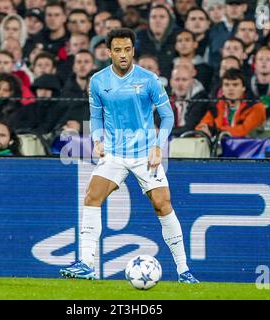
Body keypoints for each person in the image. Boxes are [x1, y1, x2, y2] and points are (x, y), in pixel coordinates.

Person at [59, 28, 199, 284]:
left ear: (133, 50)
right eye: (118, 50)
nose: (123, 55)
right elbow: (96, 116)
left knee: (162, 205)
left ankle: (184, 271)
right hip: (114, 153)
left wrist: (158, 146)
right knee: (92, 196)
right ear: (108, 52)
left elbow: (167, 116)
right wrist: (97, 140)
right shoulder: (98, 81)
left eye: (127, 49)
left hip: (146, 153)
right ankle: (87, 263)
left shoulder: (149, 79)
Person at [196, 68, 266, 138]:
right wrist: (202, 131)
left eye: (235, 85)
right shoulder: (216, 106)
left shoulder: (256, 106)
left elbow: (245, 131)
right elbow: (202, 125)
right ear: (222, 89)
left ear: (243, 88)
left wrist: (216, 132)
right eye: (226, 85)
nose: (230, 88)